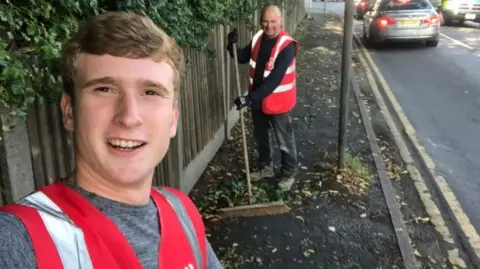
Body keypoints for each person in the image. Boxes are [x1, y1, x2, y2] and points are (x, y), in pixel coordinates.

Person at [0, 11, 223, 269]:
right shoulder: (19, 241)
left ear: (173, 118)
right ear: (69, 111)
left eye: (150, 92)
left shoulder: (182, 212)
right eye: (104, 89)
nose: (129, 117)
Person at [227, 5, 299, 191]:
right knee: (261, 137)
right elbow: (241, 57)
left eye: (273, 21)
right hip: (259, 100)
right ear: (261, 22)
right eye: (265, 22)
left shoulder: (287, 46)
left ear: (280, 21)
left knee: (284, 140)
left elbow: (275, 80)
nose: (269, 26)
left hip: (278, 102)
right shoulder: (259, 38)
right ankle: (266, 168)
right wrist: (231, 45)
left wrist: (249, 99)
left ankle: (288, 173)